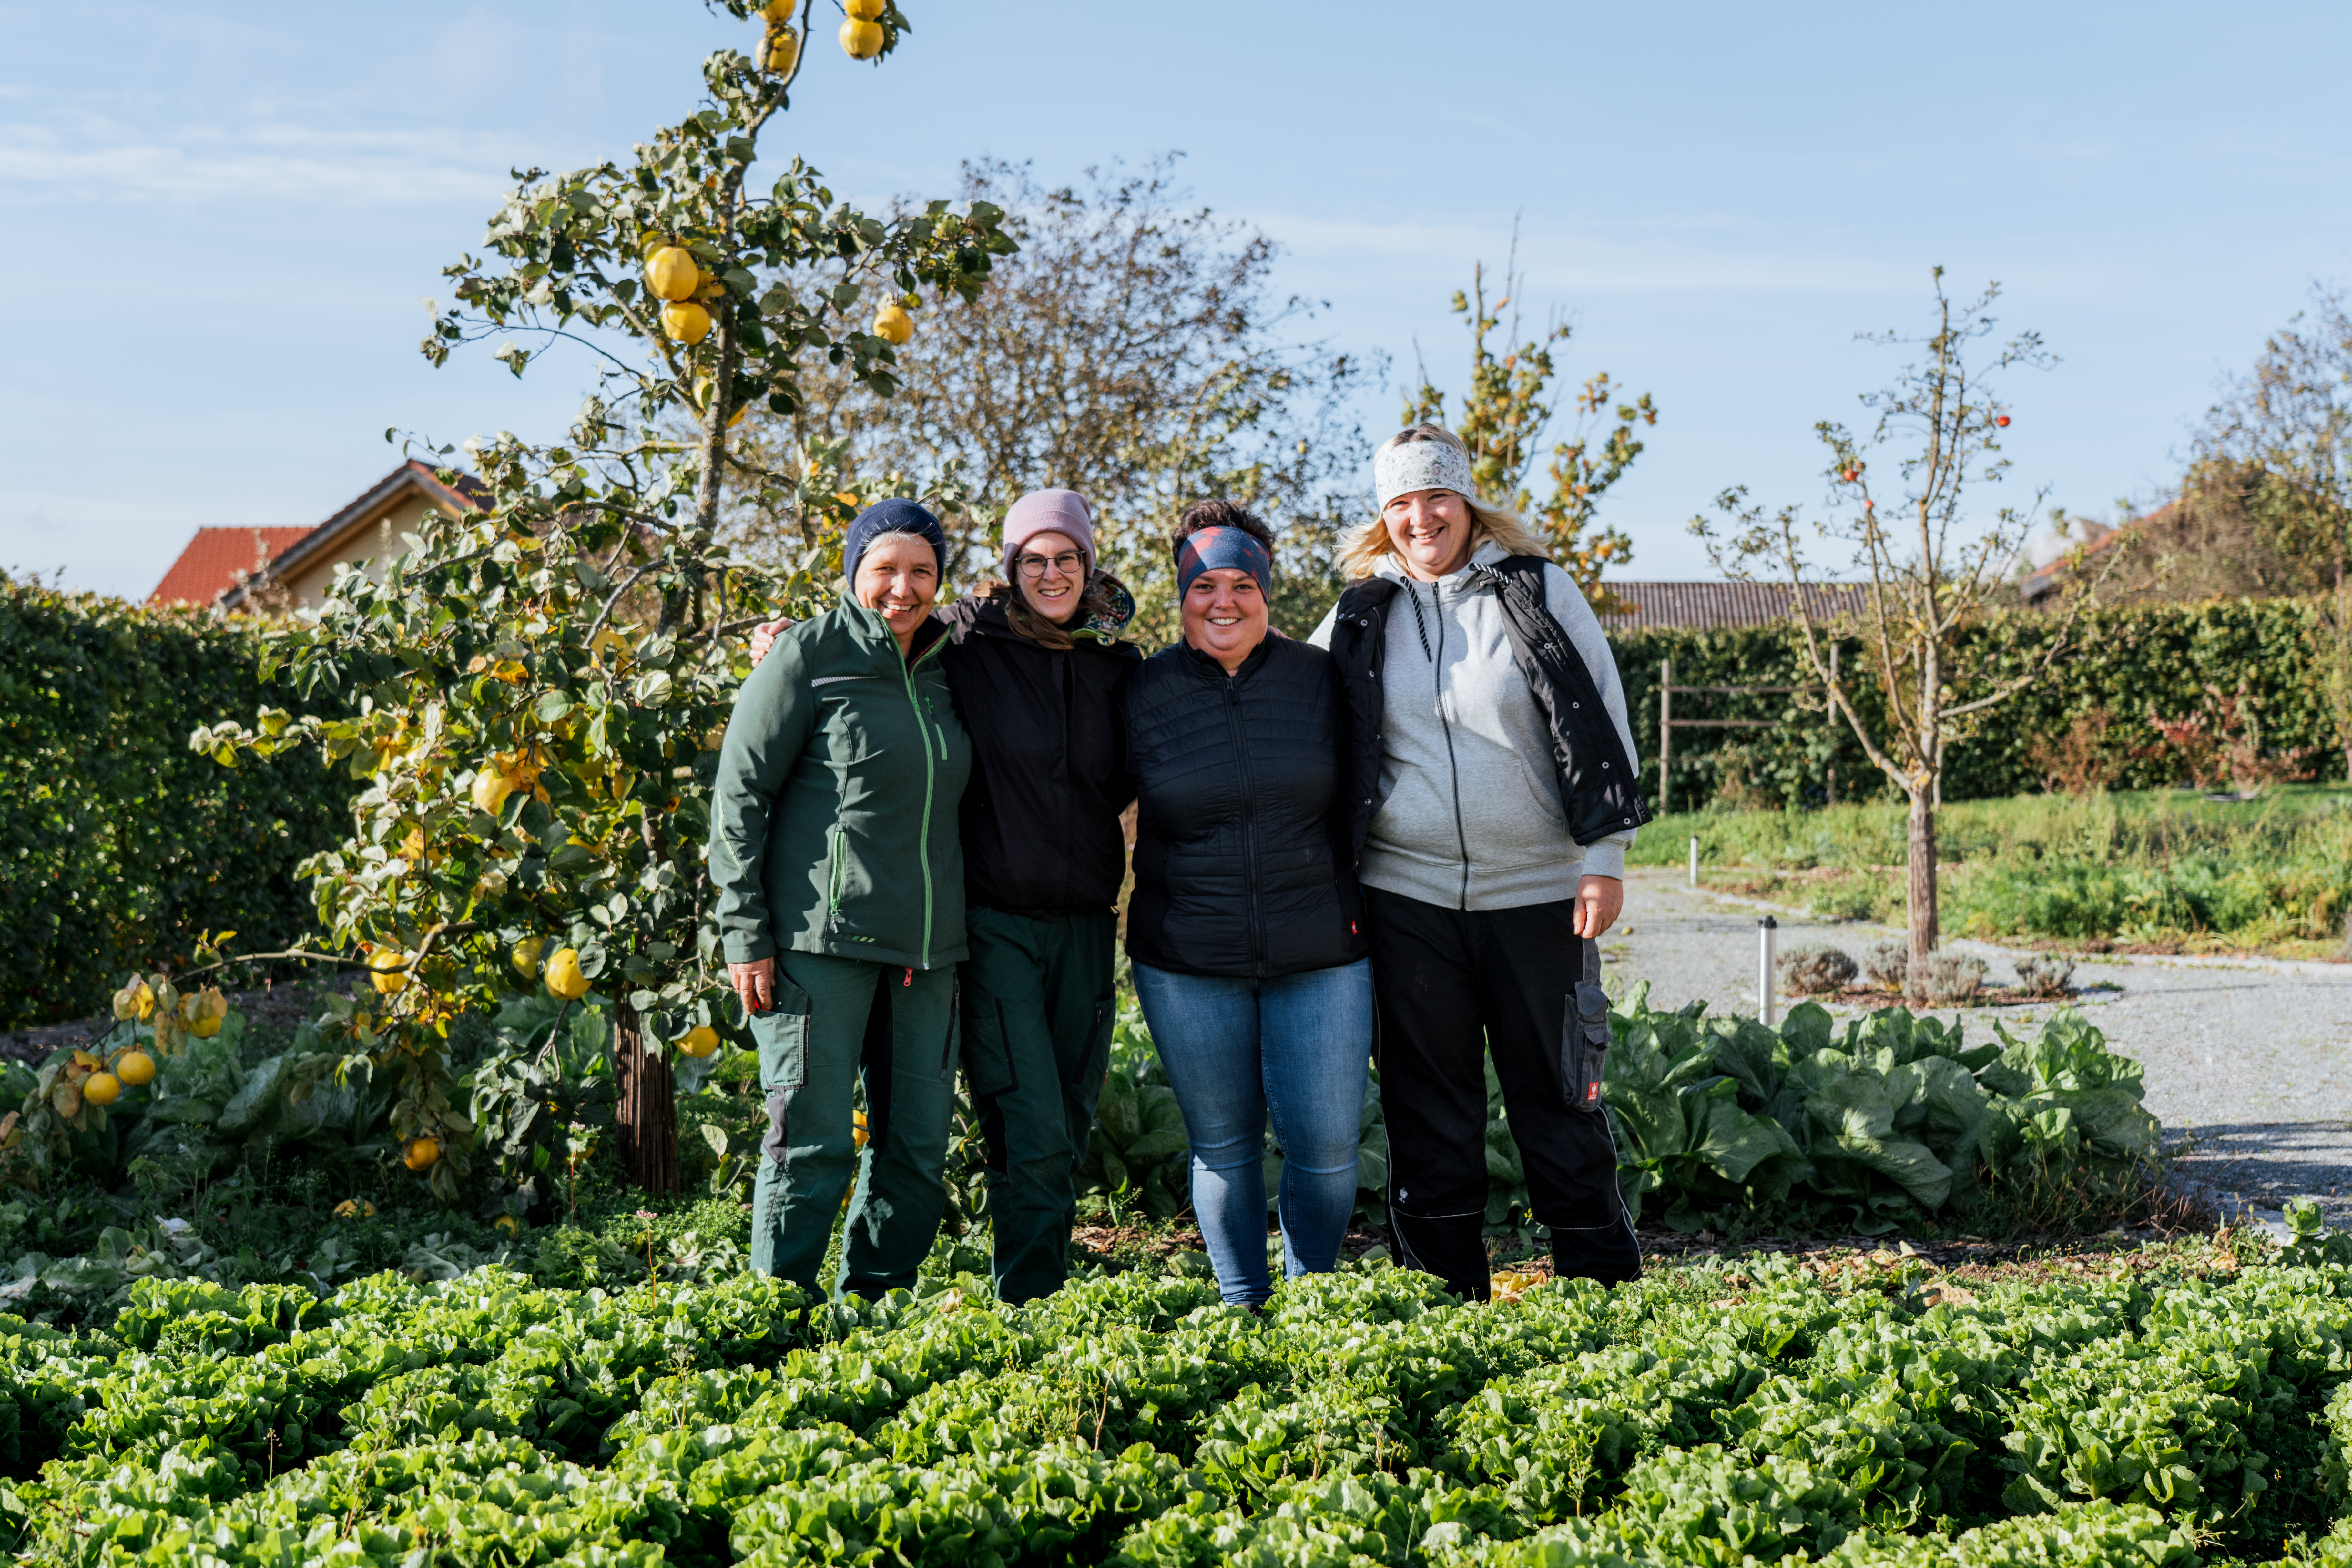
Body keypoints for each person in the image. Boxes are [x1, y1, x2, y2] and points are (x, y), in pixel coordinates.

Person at [748, 490, 1143, 1304]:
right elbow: (752, 780)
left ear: (1090, 562)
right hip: (963, 923)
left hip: (1038, 931)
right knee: (1011, 1126)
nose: (1051, 571)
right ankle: (790, 1315)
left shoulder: (1113, 662)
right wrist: (782, 644)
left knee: (1018, 1131)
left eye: (1067, 556)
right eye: (1032, 558)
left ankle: (922, 1303)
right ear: (1007, 569)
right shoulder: (964, 638)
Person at [1310, 423, 1651, 1301]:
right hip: (1406, 899)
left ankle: (1600, 1290)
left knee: (1561, 1100)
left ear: (1467, 503)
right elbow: (1295, 708)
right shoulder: (1358, 613)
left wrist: (1604, 855)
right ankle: (1442, 1298)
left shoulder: (1537, 592)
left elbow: (1602, 716)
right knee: (1430, 1111)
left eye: (1437, 498)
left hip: (1540, 894)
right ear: (1383, 517)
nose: (1421, 517)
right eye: (1401, 503)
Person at [710, 499, 973, 1297]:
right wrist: (743, 932)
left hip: (926, 952)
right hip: (817, 945)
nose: (903, 588)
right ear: (853, 572)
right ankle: (776, 1318)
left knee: (918, 1146)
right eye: (884, 569)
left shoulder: (952, 665)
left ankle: (875, 1309)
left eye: (921, 570)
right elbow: (739, 795)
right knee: (813, 1142)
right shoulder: (803, 657)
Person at [1120, 500, 1372, 1308]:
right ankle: (1244, 1307)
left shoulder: (1321, 677)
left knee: (1328, 1149)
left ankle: (1313, 1302)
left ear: (1267, 590)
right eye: (1203, 585)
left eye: (1241, 583)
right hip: (1188, 959)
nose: (1222, 601)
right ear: (1180, 594)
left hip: (1321, 953)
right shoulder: (1137, 689)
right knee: (1223, 1147)